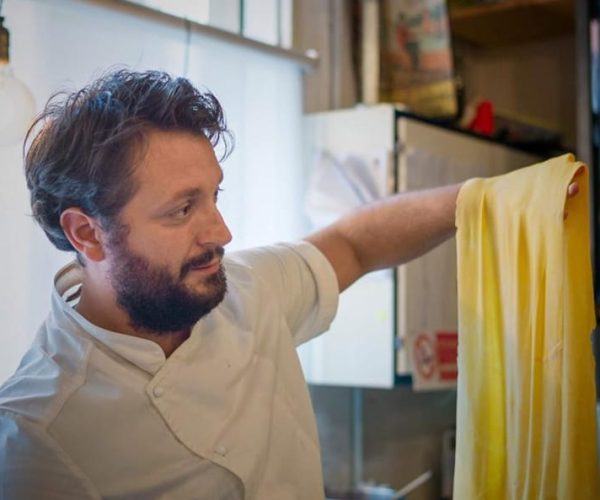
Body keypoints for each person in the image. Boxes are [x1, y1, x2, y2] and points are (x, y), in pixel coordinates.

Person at [0, 69, 580, 499]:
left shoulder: (244, 290)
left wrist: (484, 201)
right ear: (88, 234)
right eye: (181, 210)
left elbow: (355, 243)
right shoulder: (37, 438)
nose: (221, 232)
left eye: (214, 196)